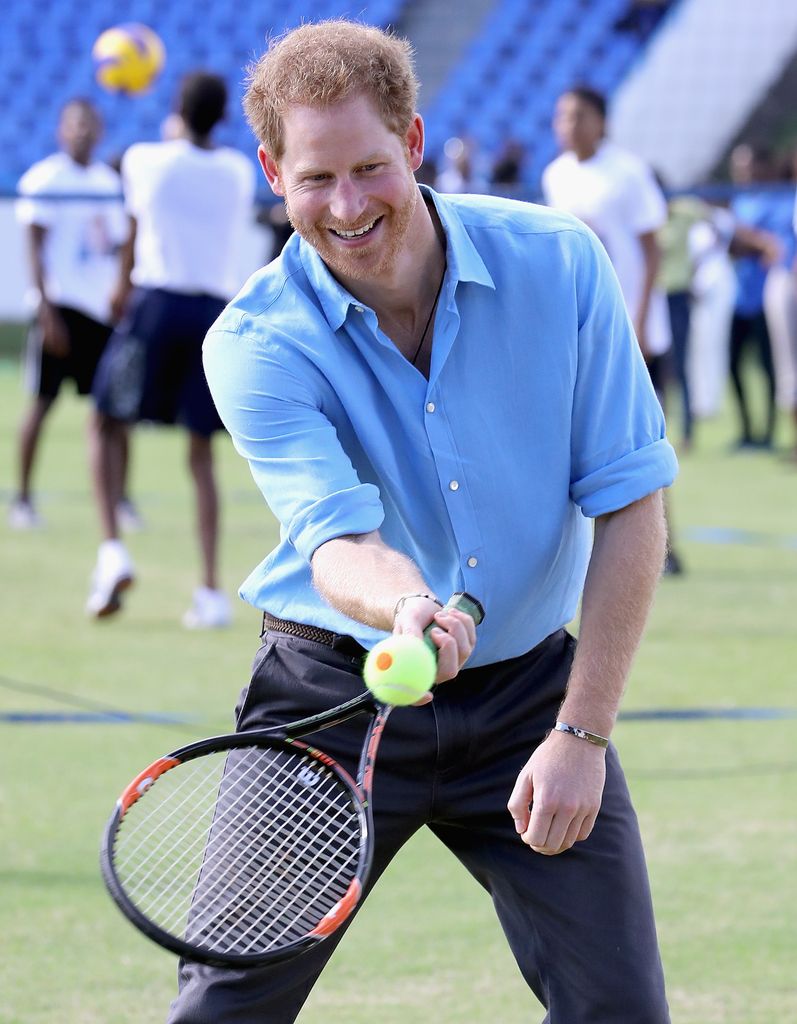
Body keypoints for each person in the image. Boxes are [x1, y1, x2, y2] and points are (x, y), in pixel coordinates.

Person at [169, 21, 677, 1023]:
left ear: (411, 143)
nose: (348, 206)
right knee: (220, 1015)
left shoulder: (560, 263)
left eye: (369, 167)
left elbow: (630, 504)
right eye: (315, 179)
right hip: (331, 697)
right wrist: (407, 605)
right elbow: (333, 537)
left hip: (535, 698)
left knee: (621, 1012)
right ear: (272, 172)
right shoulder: (253, 342)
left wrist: (582, 730)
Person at [87, 72, 256, 626]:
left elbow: (132, 218)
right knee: (201, 452)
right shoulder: (235, 170)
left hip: (156, 304)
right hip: (212, 312)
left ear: (177, 110)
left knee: (106, 422)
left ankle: (112, 550)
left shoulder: (145, 159)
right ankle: (209, 591)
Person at [542, 85, 682, 573]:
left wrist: (640, 319)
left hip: (636, 329)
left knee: (643, 443)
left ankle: (663, 545)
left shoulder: (628, 173)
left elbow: (650, 248)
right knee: (588, 445)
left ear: (602, 121)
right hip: (586, 328)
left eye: (578, 115)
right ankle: (596, 552)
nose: (567, 125)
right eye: (561, 116)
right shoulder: (556, 175)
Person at [9, 98, 135, 530]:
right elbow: (35, 249)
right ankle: (22, 500)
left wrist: (123, 294)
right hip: (60, 309)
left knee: (116, 413)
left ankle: (121, 501)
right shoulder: (46, 179)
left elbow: (119, 246)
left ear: (99, 131)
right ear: (61, 130)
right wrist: (45, 310)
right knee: (42, 404)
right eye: (74, 124)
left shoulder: (106, 182)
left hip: (100, 313)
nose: (81, 131)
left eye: (89, 124)